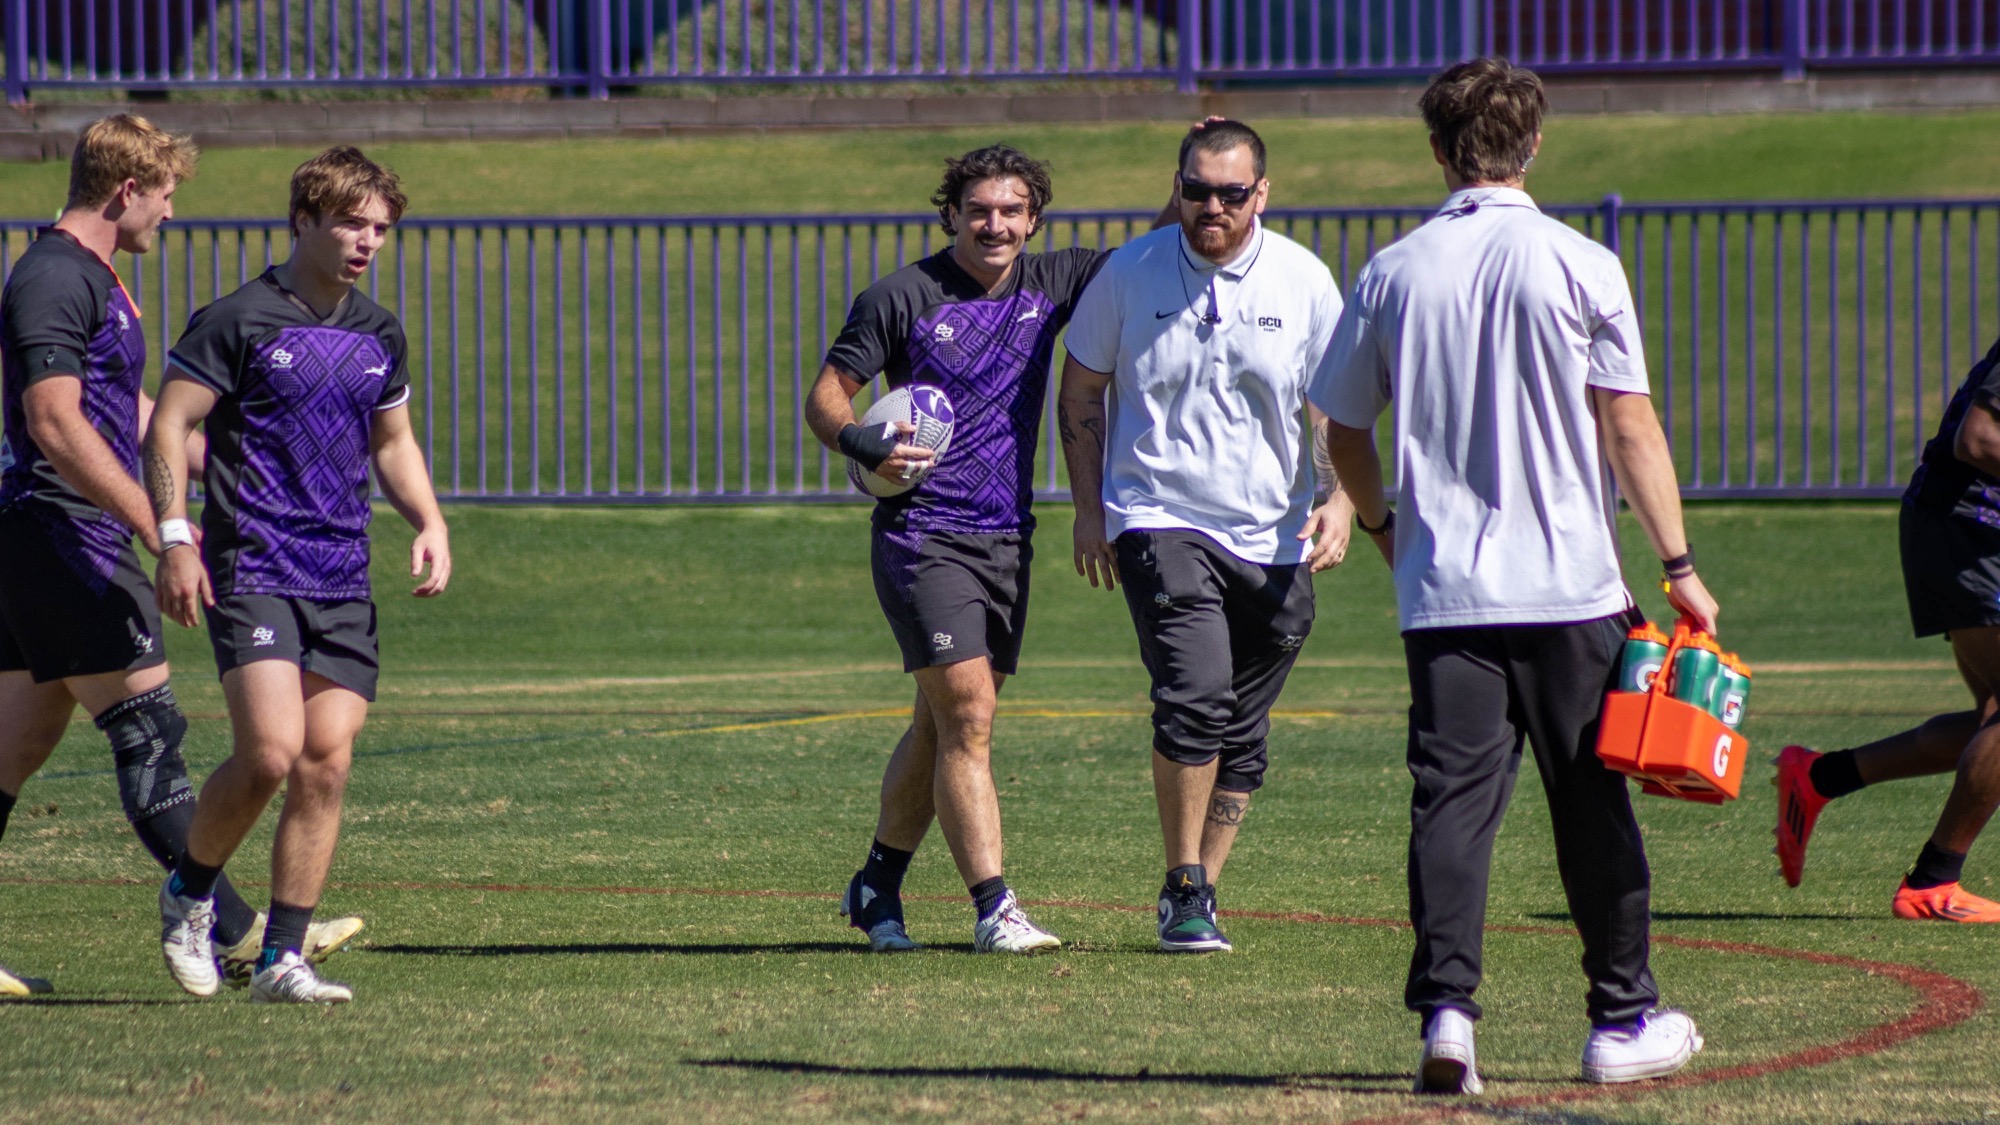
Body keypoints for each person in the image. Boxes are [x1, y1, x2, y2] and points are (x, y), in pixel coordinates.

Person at [1310, 59, 1718, 1093]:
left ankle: (1447, 1020)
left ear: (1437, 151)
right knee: (1592, 806)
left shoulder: (1392, 271)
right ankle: (1618, 1020)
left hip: (1443, 593)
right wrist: (1676, 565)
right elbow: (1627, 423)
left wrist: (1378, 524)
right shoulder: (1580, 261)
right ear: (1532, 144)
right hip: (1571, 590)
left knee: (1448, 809)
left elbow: (1342, 429)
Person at [0, 115, 359, 998]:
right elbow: (54, 423)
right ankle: (235, 931)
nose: (169, 214)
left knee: (16, 745)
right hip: (61, 533)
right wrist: (159, 525)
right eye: (165, 196)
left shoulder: (95, 278)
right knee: (149, 731)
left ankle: (235, 927)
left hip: (47, 536)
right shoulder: (53, 276)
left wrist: (228, 458)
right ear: (128, 191)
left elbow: (120, 409)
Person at [806, 144, 1171, 955]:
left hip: (1007, 536)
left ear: (1033, 220)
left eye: (1011, 211)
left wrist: (1187, 182)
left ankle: (876, 883)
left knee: (943, 725)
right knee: (969, 713)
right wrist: (866, 444)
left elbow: (1151, 253)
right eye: (979, 210)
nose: (994, 224)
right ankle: (994, 907)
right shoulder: (901, 296)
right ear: (953, 216)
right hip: (921, 534)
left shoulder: (1053, 284)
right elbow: (826, 397)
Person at [144, 146, 451, 1004]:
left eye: (380, 228)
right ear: (306, 220)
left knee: (326, 763)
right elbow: (167, 424)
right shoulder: (239, 318)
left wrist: (428, 520)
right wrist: (175, 538)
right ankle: (190, 891)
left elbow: (393, 441)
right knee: (272, 751)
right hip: (253, 565)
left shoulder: (377, 332)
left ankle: (283, 958)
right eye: (352, 221)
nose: (367, 241)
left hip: (340, 575)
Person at [1058, 119, 1352, 955]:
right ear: (1177, 186)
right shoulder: (1129, 271)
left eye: (1231, 193)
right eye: (1196, 190)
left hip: (1273, 530)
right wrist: (1090, 510)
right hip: (1158, 514)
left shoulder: (1302, 278)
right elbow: (1081, 392)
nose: (1211, 207)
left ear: (1262, 193)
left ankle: (1205, 889)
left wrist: (1335, 499)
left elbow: (1328, 400)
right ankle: (1182, 884)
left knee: (1243, 731)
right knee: (1195, 692)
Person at [1775, 335, 2000, 922]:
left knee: (1989, 722)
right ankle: (1932, 883)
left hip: (1968, 530)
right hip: (1969, 531)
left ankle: (1820, 776)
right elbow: (1978, 439)